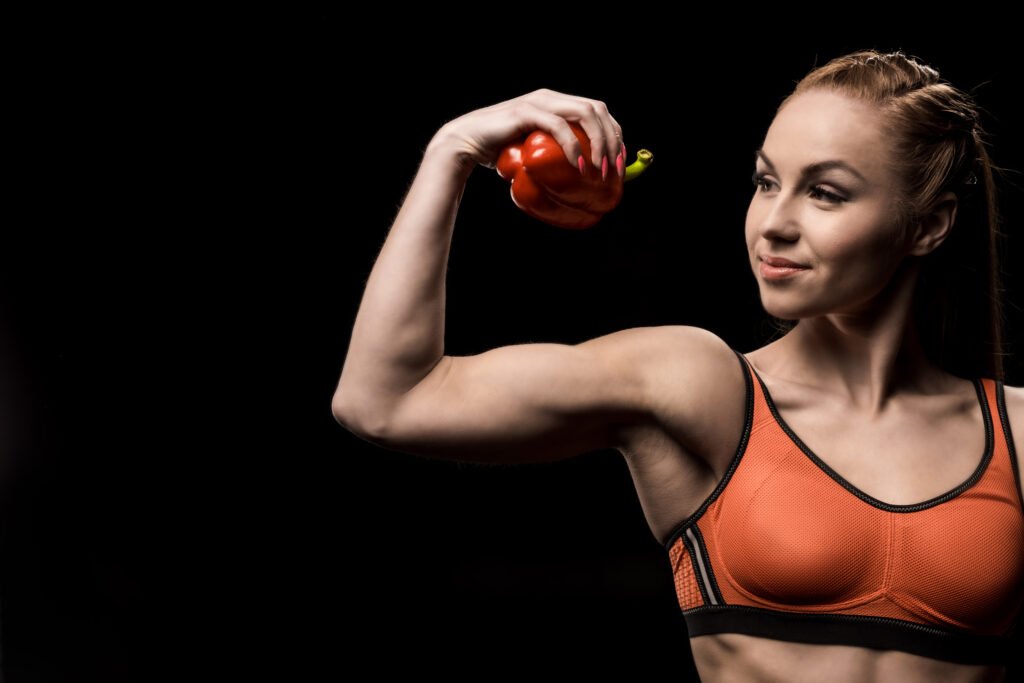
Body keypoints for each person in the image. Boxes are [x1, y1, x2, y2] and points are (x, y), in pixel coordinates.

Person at [331, 49, 1024, 680]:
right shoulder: (704, 388)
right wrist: (450, 150)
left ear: (930, 224)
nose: (773, 222)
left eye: (826, 192)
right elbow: (385, 399)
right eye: (765, 182)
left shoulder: (1017, 435)